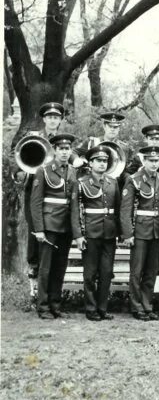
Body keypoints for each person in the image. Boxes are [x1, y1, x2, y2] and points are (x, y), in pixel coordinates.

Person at [12, 101, 67, 281]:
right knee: (35, 228)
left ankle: (49, 270)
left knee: (53, 230)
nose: (53, 120)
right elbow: (19, 162)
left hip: (55, 194)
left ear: (60, 120)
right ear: (44, 119)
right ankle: (33, 265)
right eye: (50, 117)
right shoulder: (32, 137)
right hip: (34, 191)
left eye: (56, 117)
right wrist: (20, 173)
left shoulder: (63, 141)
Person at [30, 133, 77, 319]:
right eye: (61, 149)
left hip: (65, 226)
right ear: (55, 150)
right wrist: (39, 229)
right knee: (45, 268)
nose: (65, 152)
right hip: (49, 225)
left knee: (60, 267)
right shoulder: (44, 170)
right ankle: (42, 307)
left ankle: (55, 305)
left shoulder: (72, 171)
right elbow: (36, 202)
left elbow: (72, 201)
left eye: (67, 149)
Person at [72, 145, 120, 321]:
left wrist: (120, 232)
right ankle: (91, 309)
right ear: (90, 163)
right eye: (98, 161)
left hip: (109, 234)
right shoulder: (82, 183)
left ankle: (102, 308)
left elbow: (118, 208)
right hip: (91, 234)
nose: (102, 164)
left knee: (106, 273)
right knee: (90, 274)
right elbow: (75, 211)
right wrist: (78, 235)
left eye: (105, 161)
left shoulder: (112, 182)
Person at [120, 146, 159, 321]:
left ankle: (147, 305)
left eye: (157, 161)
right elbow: (125, 210)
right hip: (139, 231)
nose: (154, 164)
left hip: (156, 232)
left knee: (151, 271)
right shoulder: (134, 180)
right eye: (151, 160)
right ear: (144, 161)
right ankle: (136, 306)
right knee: (136, 271)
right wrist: (128, 234)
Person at [74, 111, 131, 182]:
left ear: (119, 129)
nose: (112, 129)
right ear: (104, 126)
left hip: (113, 184)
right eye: (110, 126)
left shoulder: (123, 148)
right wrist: (76, 160)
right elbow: (74, 152)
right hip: (92, 182)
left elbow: (125, 170)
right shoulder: (92, 142)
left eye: (115, 127)